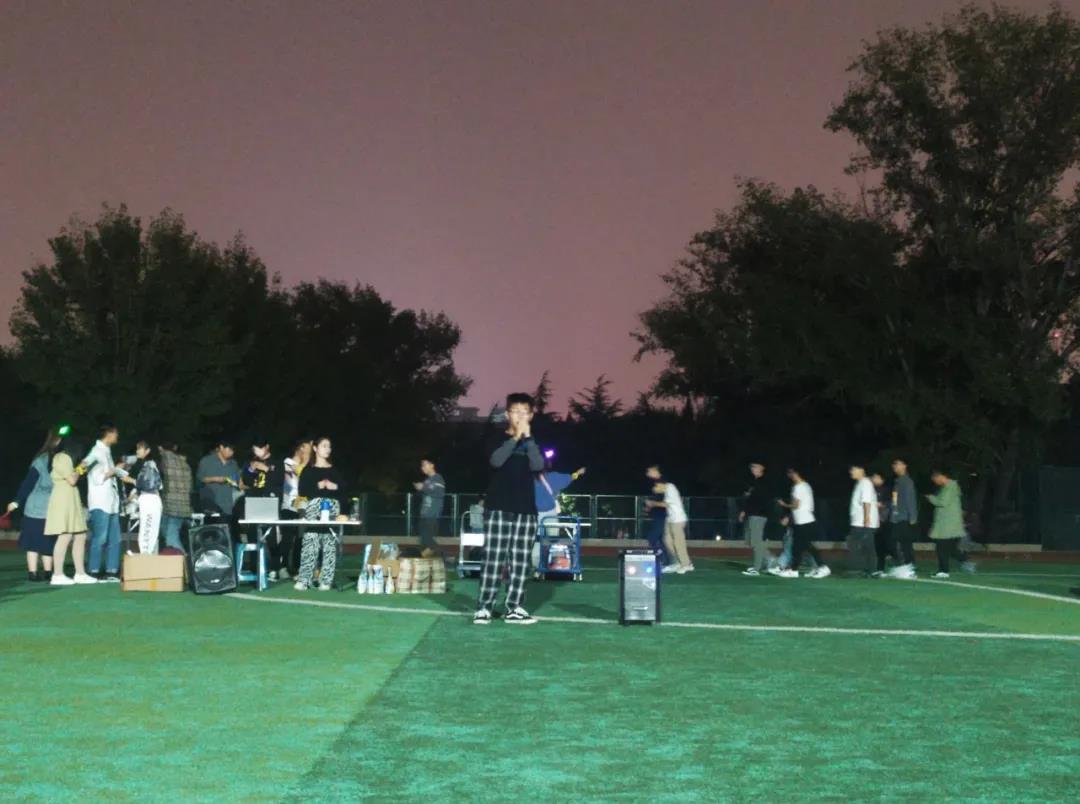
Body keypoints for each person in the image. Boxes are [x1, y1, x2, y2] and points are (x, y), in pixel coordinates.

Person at [473, 392, 545, 625]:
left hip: (526, 509)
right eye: (515, 412)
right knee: (493, 558)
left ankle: (514, 607)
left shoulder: (533, 442)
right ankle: (484, 607)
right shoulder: (495, 437)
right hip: (498, 507)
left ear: (531, 415)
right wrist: (515, 438)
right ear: (507, 414)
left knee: (521, 562)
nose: (520, 416)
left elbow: (538, 465)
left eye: (524, 412)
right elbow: (496, 460)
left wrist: (528, 438)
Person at [6, 429, 61, 581]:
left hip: (50, 509)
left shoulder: (58, 460)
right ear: (55, 442)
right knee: (34, 542)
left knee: (46, 542)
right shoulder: (41, 461)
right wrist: (17, 501)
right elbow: (28, 484)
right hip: (36, 509)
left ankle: (47, 572)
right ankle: (33, 573)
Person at [294, 436, 347, 591]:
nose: (327, 449)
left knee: (329, 543)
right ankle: (305, 579)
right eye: (324, 446)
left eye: (329, 446)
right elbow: (303, 491)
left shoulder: (334, 470)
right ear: (316, 448)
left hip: (332, 509)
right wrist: (318, 485)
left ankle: (326, 580)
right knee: (310, 542)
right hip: (314, 510)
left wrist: (334, 487)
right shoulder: (308, 470)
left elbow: (344, 490)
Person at [45, 436, 96, 585]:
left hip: (71, 497)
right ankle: (57, 574)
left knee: (80, 535)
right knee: (65, 535)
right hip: (63, 498)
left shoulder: (64, 458)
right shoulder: (62, 457)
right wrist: (80, 467)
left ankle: (80, 573)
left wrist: (80, 468)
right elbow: (72, 480)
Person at [85, 425, 129, 582]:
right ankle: (93, 570)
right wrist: (115, 469)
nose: (117, 436)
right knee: (100, 538)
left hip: (111, 503)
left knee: (115, 539)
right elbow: (96, 477)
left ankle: (112, 570)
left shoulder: (106, 452)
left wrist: (116, 470)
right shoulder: (96, 452)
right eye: (115, 433)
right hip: (100, 502)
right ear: (109, 434)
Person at [240, 437, 285, 578]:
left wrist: (265, 468)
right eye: (254, 449)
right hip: (254, 501)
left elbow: (279, 480)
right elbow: (246, 481)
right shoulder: (250, 462)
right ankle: (256, 568)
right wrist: (251, 469)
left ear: (267, 447)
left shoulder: (277, 462)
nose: (257, 452)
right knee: (253, 534)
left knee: (272, 535)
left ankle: (275, 567)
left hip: (271, 501)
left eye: (259, 448)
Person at [775, 467, 831, 578]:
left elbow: (796, 505)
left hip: (803, 521)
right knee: (802, 547)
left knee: (800, 547)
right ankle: (800, 569)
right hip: (807, 520)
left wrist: (783, 504)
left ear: (795, 473)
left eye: (790, 473)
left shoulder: (798, 487)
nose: (789, 476)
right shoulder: (806, 486)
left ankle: (799, 569)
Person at [926, 469, 975, 578]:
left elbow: (942, 502)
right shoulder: (948, 487)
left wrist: (931, 498)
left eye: (935, 480)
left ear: (940, 476)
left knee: (941, 548)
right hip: (947, 524)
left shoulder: (950, 486)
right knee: (950, 549)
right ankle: (965, 561)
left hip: (947, 525)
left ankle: (943, 571)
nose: (935, 482)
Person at [647, 466, 693, 574]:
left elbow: (666, 504)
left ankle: (687, 564)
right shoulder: (666, 490)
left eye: (657, 486)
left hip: (678, 519)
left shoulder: (670, 488)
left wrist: (653, 503)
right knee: (667, 540)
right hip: (670, 519)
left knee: (678, 542)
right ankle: (676, 562)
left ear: (662, 484)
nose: (655, 489)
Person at [277, 439, 312, 579]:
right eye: (308, 447)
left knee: (300, 538)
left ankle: (297, 569)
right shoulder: (288, 462)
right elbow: (298, 473)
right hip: (288, 505)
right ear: (301, 448)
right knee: (287, 537)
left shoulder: (307, 465)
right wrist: (306, 460)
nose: (310, 451)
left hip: (303, 505)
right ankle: (282, 566)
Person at [739, 462, 774, 577]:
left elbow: (759, 500)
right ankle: (770, 560)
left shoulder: (763, 482)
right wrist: (744, 511)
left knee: (757, 542)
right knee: (754, 542)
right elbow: (751, 499)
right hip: (753, 515)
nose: (752, 469)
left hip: (758, 515)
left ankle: (756, 568)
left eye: (755, 466)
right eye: (752, 467)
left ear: (762, 468)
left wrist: (748, 502)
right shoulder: (756, 482)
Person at [534, 461, 585, 537]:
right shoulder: (553, 477)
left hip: (534, 514)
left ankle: (537, 543)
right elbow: (571, 477)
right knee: (553, 537)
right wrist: (578, 472)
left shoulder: (528, 479)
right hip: (550, 512)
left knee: (536, 537)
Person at [887, 459, 919, 579]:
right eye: (894, 464)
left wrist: (913, 517)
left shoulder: (907, 481)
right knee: (896, 542)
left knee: (904, 544)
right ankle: (905, 566)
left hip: (903, 518)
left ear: (904, 466)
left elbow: (910, 500)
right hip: (896, 517)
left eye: (897, 464)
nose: (894, 466)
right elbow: (895, 500)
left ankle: (909, 567)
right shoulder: (898, 481)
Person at [159, 441, 193, 552]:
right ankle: (178, 557)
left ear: (160, 448)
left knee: (170, 537)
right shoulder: (185, 464)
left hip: (170, 504)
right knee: (167, 532)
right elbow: (190, 487)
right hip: (183, 505)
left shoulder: (164, 460)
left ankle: (182, 560)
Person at [847, 464, 880, 576]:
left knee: (866, 545)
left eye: (853, 469)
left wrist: (866, 519)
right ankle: (867, 569)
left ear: (861, 470)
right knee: (861, 545)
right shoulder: (860, 483)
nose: (851, 471)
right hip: (859, 521)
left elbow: (866, 502)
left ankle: (871, 570)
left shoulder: (865, 483)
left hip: (863, 522)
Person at [132, 441, 163, 554]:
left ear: (147, 451)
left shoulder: (149, 465)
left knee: (147, 530)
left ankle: (145, 557)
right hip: (151, 500)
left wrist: (131, 481)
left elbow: (148, 485)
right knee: (151, 532)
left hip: (149, 500)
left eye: (139, 448)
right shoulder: (149, 465)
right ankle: (148, 557)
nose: (137, 451)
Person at [196, 439, 241, 516]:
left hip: (228, 506)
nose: (232, 453)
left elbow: (237, 482)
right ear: (221, 447)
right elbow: (199, 480)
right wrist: (214, 479)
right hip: (210, 505)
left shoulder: (233, 464)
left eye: (233, 450)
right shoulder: (206, 461)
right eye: (230, 450)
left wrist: (233, 481)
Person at [413, 457, 447, 558]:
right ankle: (426, 562)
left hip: (432, 514)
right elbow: (425, 493)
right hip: (424, 514)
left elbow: (439, 492)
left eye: (424, 465)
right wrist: (419, 489)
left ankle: (444, 557)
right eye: (421, 465)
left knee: (427, 540)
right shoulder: (427, 480)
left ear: (432, 465)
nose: (422, 467)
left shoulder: (438, 478)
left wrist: (423, 487)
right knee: (424, 543)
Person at [870, 472, 896, 577]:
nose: (873, 479)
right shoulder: (871, 489)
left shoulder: (887, 490)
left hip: (886, 521)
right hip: (876, 522)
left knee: (889, 544)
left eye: (875, 477)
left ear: (881, 479)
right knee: (879, 546)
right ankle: (880, 569)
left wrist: (883, 505)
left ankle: (902, 565)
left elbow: (893, 503)